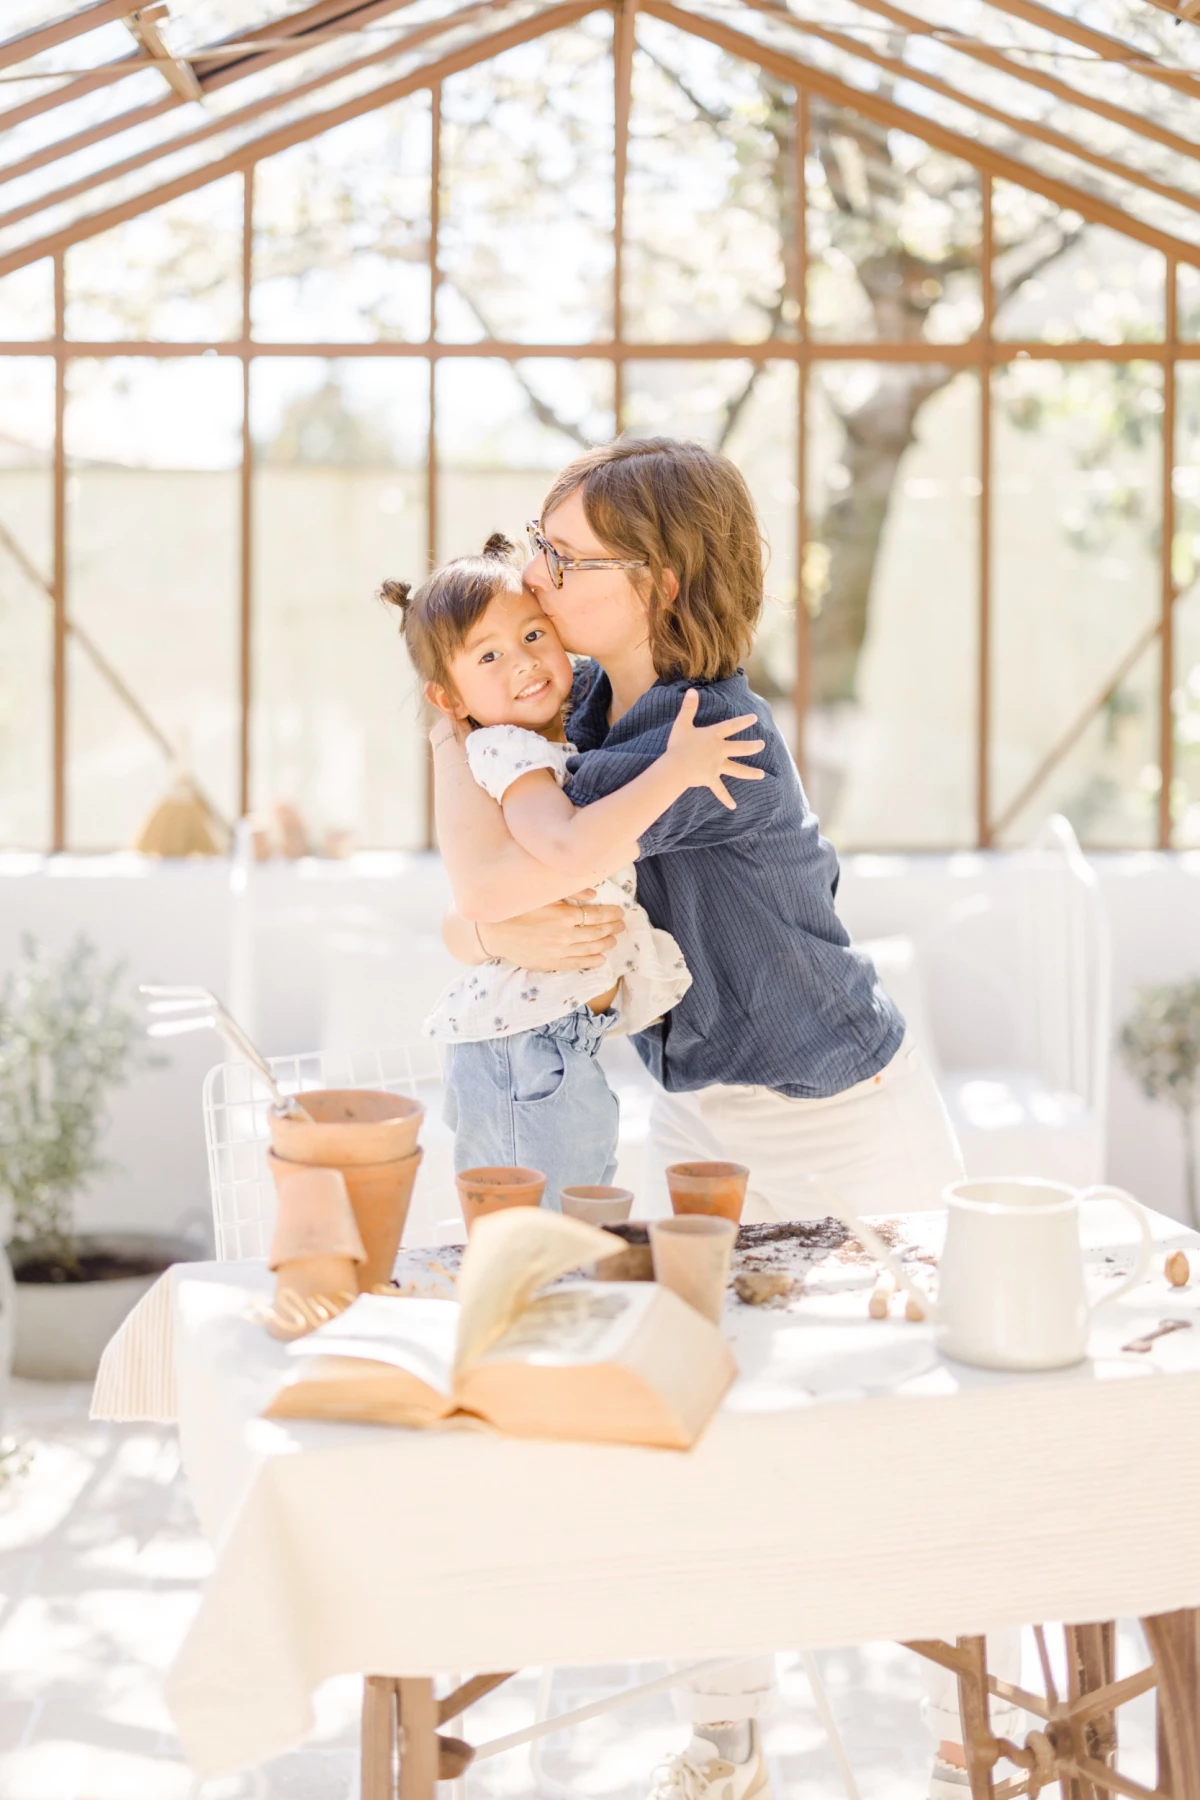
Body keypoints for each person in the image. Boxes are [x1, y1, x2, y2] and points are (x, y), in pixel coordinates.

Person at [430, 441, 1020, 1800]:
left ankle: (964, 1728)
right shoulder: (570, 706)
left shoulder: (708, 743)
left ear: (661, 582)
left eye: (566, 559)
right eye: (537, 540)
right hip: (704, 1120)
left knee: (923, 1437)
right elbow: (489, 876)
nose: (533, 572)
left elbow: (511, 872)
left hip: (846, 1119)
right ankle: (729, 1731)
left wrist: (468, 853)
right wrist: (477, 870)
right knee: (694, 1413)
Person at [381, 531, 763, 1209]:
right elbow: (563, 845)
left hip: (544, 1044)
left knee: (560, 1228)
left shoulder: (547, 737)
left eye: (534, 635)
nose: (524, 663)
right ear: (449, 699)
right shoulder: (508, 753)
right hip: (526, 1050)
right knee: (552, 1236)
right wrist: (678, 769)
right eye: (490, 656)